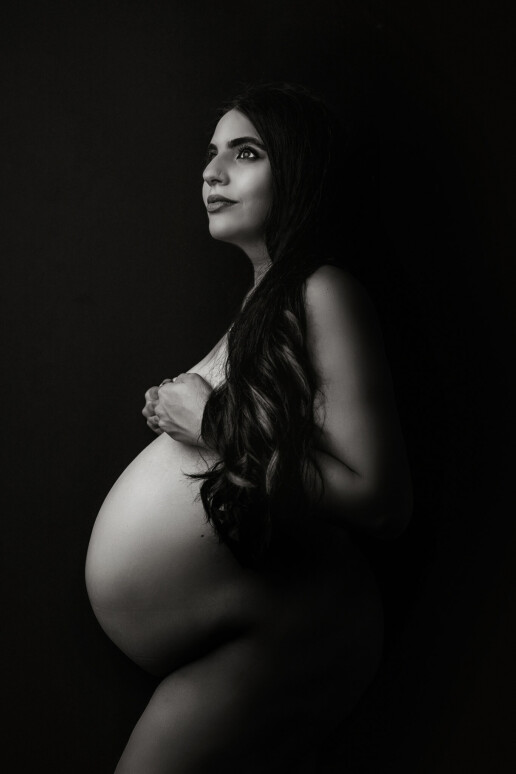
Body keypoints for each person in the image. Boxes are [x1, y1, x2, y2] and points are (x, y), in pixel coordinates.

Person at [85, 82, 413, 773]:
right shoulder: (264, 302)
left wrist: (208, 418)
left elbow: (381, 497)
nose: (211, 173)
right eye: (211, 156)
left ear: (297, 170)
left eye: (246, 152)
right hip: (247, 637)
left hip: (298, 631)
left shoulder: (323, 290)